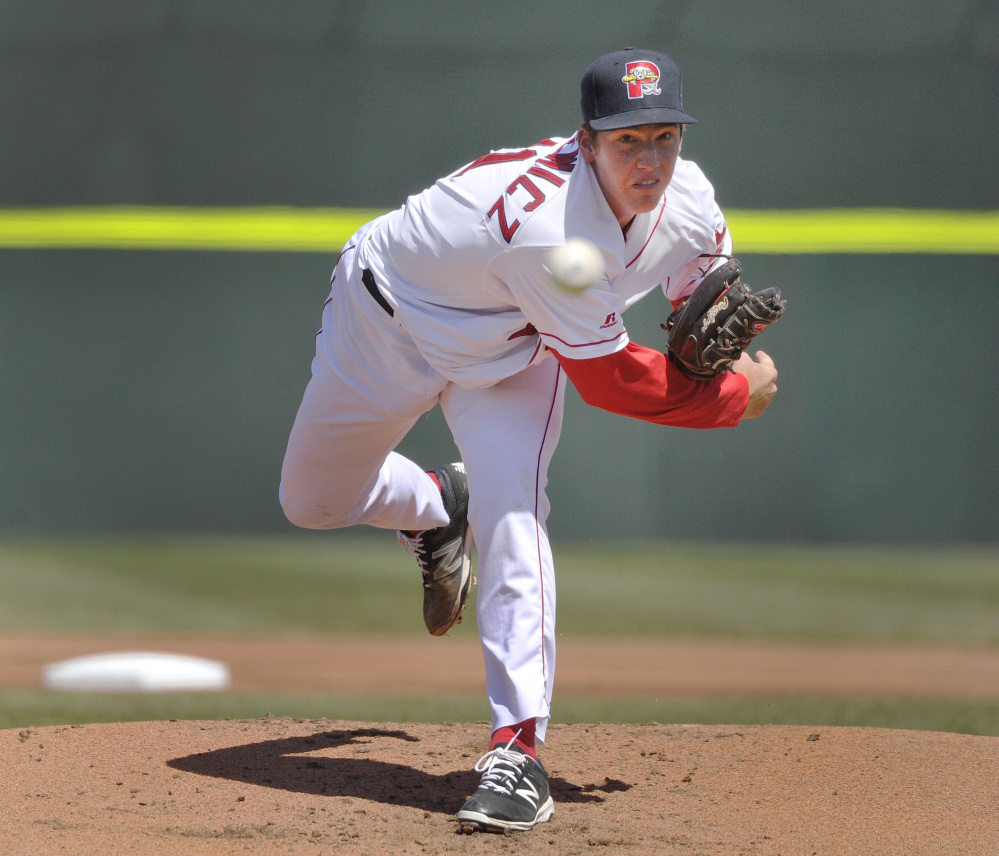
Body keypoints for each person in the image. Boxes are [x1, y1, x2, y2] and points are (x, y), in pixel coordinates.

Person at [280, 47, 778, 833]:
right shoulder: (548, 228)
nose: (648, 160)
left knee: (514, 512)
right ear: (585, 143)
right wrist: (729, 396)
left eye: (663, 137)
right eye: (625, 142)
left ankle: (517, 751)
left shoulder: (688, 197)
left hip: (516, 352)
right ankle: (435, 505)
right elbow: (611, 380)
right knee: (312, 502)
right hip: (386, 323)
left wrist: (702, 322)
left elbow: (700, 291)